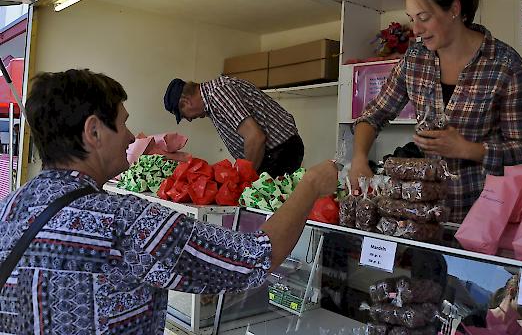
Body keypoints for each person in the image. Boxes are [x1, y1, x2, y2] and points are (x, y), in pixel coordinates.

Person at [0, 69, 336, 334]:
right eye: (123, 122)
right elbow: (255, 258)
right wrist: (309, 186)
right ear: (94, 132)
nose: (132, 136)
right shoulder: (125, 223)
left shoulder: (8, 209)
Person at [349, 0, 522, 222]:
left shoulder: (504, 64)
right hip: (424, 215)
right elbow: (373, 115)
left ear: (454, 10)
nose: (415, 29)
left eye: (424, 17)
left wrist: (467, 149)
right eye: (411, 18)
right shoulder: (415, 60)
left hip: (483, 217)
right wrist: (360, 158)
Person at [164, 76, 304, 177]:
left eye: (183, 115)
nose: (189, 119)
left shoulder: (218, 94)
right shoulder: (214, 98)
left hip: (279, 153)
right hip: (271, 154)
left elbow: (255, 137)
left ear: (186, 102)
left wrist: (243, 180)